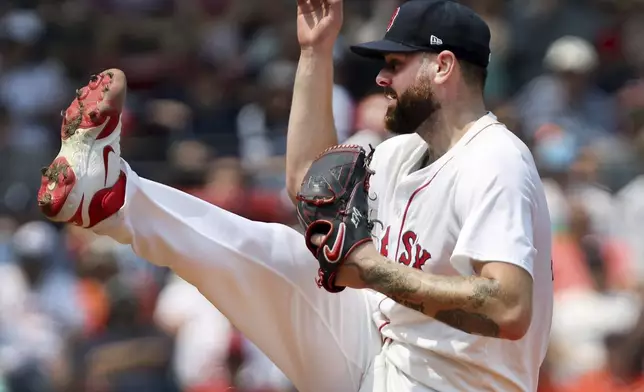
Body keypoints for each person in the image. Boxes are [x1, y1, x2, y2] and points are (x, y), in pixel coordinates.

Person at [36, 0, 553, 391]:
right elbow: (312, 183)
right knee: (282, 251)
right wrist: (314, 52)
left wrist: (372, 270)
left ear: (442, 67)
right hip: (379, 351)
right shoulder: (401, 155)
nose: (380, 76)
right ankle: (110, 194)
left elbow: (510, 308)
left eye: (395, 63)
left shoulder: (495, 160)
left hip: (452, 383)